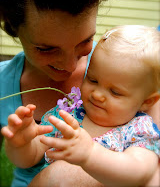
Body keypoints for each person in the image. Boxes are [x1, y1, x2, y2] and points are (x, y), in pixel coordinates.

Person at [0, 0, 118, 186]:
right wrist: (19, 144)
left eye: (85, 41)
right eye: (47, 49)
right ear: (14, 27)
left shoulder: (122, 67)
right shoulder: (3, 86)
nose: (70, 64)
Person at [2, 25, 160, 187]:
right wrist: (22, 144)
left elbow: (139, 172)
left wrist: (90, 154)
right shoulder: (69, 114)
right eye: (93, 80)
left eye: (115, 92)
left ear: (147, 101)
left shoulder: (138, 130)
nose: (97, 94)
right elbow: (29, 158)